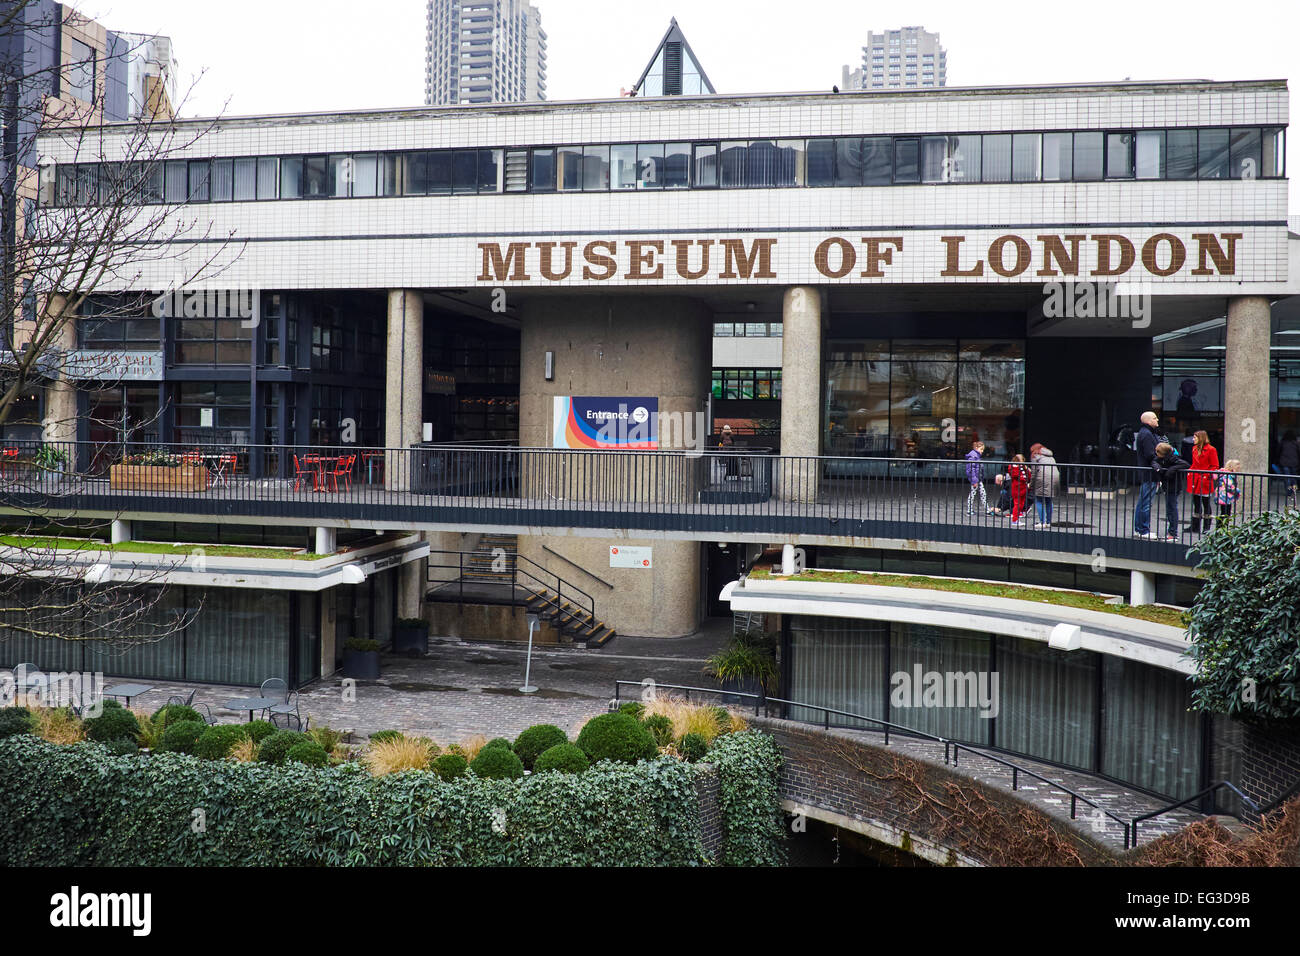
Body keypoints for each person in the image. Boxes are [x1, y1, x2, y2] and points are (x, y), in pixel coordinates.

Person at [1132, 411, 1163, 539]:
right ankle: (1143, 530)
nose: (1157, 420)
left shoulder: (1145, 433)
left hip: (1147, 472)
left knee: (1142, 502)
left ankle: (1139, 529)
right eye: (1155, 418)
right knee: (1146, 503)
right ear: (1149, 421)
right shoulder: (1147, 434)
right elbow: (1151, 454)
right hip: (1150, 473)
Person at [1151, 442, 1190, 541]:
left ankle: (1173, 533)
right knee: (1170, 509)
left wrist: (1171, 470)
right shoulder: (1161, 458)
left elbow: (1185, 464)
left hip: (1173, 486)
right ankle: (1171, 532)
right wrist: (1157, 468)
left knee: (1172, 509)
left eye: (1157, 452)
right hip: (1167, 486)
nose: (1156, 454)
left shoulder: (1173, 458)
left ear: (1163, 453)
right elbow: (1154, 461)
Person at [1186, 430, 1219, 534]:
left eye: (1195, 437)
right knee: (1196, 502)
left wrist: (1207, 474)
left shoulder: (1211, 449)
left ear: (1200, 438)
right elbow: (1194, 464)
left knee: (1206, 503)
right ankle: (1195, 526)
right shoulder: (1194, 448)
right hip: (1195, 478)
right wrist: (1190, 472)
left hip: (1205, 479)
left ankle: (1206, 527)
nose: (1193, 439)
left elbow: (1215, 465)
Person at [1029, 443, 1060, 528]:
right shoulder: (1050, 456)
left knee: (1039, 500)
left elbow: (1034, 472)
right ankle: (1048, 522)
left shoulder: (1035, 456)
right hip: (1055, 477)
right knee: (1048, 500)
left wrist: (1031, 484)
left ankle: (1042, 522)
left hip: (1042, 477)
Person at [964, 441, 992, 515]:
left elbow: (972, 468)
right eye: (981, 449)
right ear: (976, 448)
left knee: (980, 494)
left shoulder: (975, 455)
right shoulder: (974, 455)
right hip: (976, 479)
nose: (982, 451)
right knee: (978, 494)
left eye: (983, 449)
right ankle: (972, 510)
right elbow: (971, 469)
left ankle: (986, 510)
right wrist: (974, 480)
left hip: (977, 479)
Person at [1215, 459, 1242, 528]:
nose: (1239, 466)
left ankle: (1221, 528)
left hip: (1224, 496)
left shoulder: (1226, 474)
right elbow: (1229, 486)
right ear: (1232, 466)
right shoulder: (1228, 475)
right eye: (1237, 464)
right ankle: (1222, 528)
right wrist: (1238, 492)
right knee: (1226, 513)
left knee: (1224, 512)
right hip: (1225, 496)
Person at [1008, 454, 1031, 526]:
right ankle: (1014, 520)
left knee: (1021, 504)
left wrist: (1027, 469)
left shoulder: (1023, 467)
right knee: (1017, 504)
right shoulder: (1013, 467)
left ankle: (1017, 519)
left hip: (1023, 488)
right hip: (1017, 489)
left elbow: (1029, 476)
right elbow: (1015, 475)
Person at [1279, 429, 1300, 506]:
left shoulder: (1283, 443)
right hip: (1294, 462)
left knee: (1287, 477)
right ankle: (1294, 490)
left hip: (1284, 462)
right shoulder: (1295, 444)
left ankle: (1288, 491)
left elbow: (1279, 452)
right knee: (1294, 478)